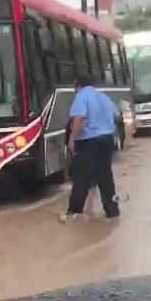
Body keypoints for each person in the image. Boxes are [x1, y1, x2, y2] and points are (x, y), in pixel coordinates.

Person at [61, 75, 121, 222]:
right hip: (107, 140)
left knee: (81, 177)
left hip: (88, 141)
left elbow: (79, 117)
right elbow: (117, 115)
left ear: (78, 86)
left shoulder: (82, 96)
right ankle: (112, 211)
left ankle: (73, 212)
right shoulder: (104, 97)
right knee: (105, 176)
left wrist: (72, 139)